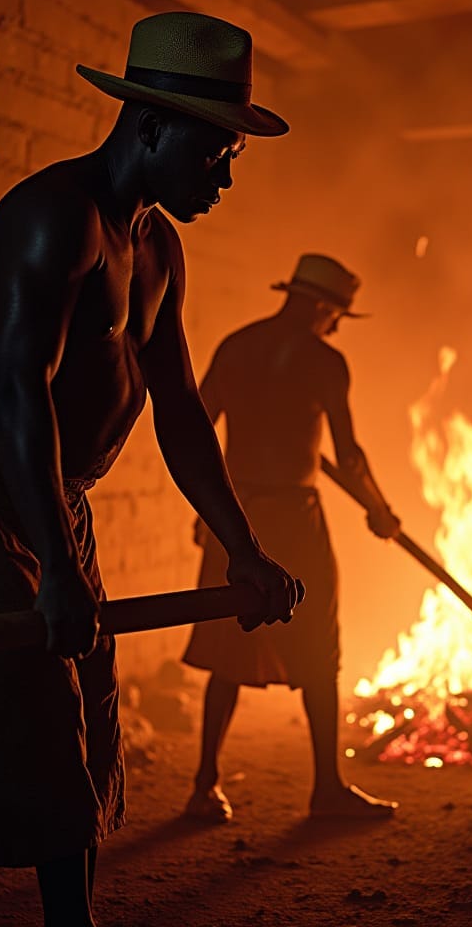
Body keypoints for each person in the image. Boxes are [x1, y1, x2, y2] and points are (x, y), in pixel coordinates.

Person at [0, 11, 303, 927]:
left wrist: (245, 547)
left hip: (50, 491)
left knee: (81, 705)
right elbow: (16, 398)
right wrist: (60, 571)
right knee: (1, 700)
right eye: (216, 151)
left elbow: (181, 409)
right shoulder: (54, 220)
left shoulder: (157, 247)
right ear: (151, 126)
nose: (227, 175)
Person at [181, 254, 401, 823]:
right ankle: (326, 788)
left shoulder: (237, 346)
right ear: (326, 308)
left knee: (230, 646)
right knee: (319, 652)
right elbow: (348, 456)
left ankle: (205, 785)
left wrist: (210, 511)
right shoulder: (326, 361)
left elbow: (194, 429)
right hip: (295, 521)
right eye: (338, 317)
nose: (335, 327)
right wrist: (380, 510)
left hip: (237, 517)